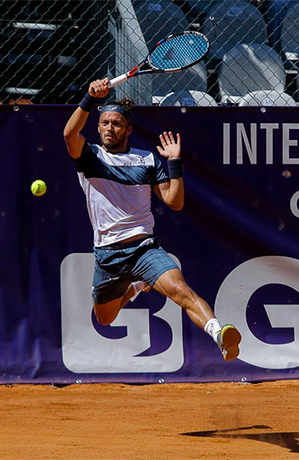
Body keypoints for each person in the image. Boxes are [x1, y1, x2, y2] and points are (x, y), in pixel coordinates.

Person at [62, 77, 242, 361]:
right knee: (105, 319)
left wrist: (174, 162)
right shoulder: (89, 157)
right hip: (108, 255)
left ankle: (219, 333)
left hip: (145, 249)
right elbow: (69, 134)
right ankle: (134, 287)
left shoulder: (146, 159)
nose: (110, 128)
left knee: (181, 290)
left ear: (128, 129)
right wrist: (89, 98)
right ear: (97, 127)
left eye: (117, 124)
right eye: (105, 123)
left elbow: (175, 201)